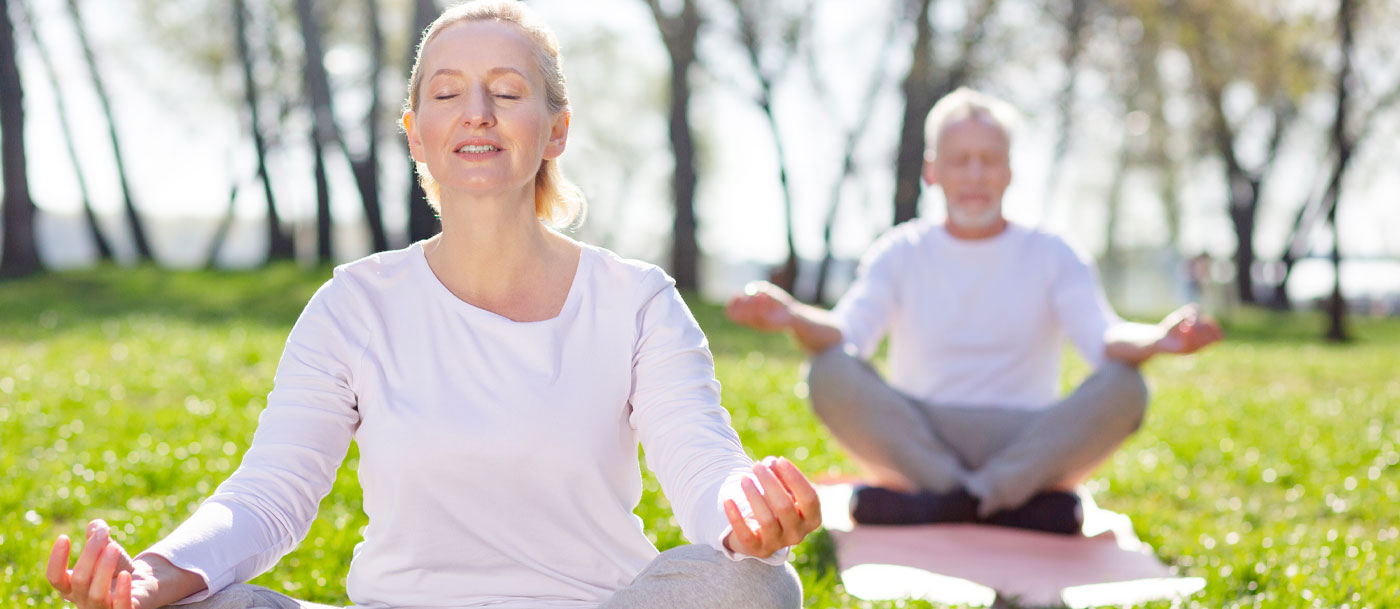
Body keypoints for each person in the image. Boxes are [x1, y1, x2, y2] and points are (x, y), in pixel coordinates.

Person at [45, 3, 820, 608]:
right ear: (417, 134)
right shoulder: (355, 303)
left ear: (555, 130)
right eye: (448, 93)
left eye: (508, 93)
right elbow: (269, 492)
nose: (476, 112)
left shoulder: (637, 300)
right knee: (204, 601)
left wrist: (744, 517)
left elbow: (703, 464)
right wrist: (154, 570)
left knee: (751, 587)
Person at [726, 87, 1222, 534]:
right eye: (960, 160)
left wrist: (1158, 339)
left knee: (1126, 384)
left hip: (1026, 443)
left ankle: (950, 504)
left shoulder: (1053, 253)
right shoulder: (900, 251)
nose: (975, 176)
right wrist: (791, 315)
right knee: (829, 369)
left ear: (1010, 170)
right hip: (921, 440)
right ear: (932, 170)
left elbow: (1104, 339)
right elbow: (846, 332)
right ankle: (1005, 508)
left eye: (989, 159)